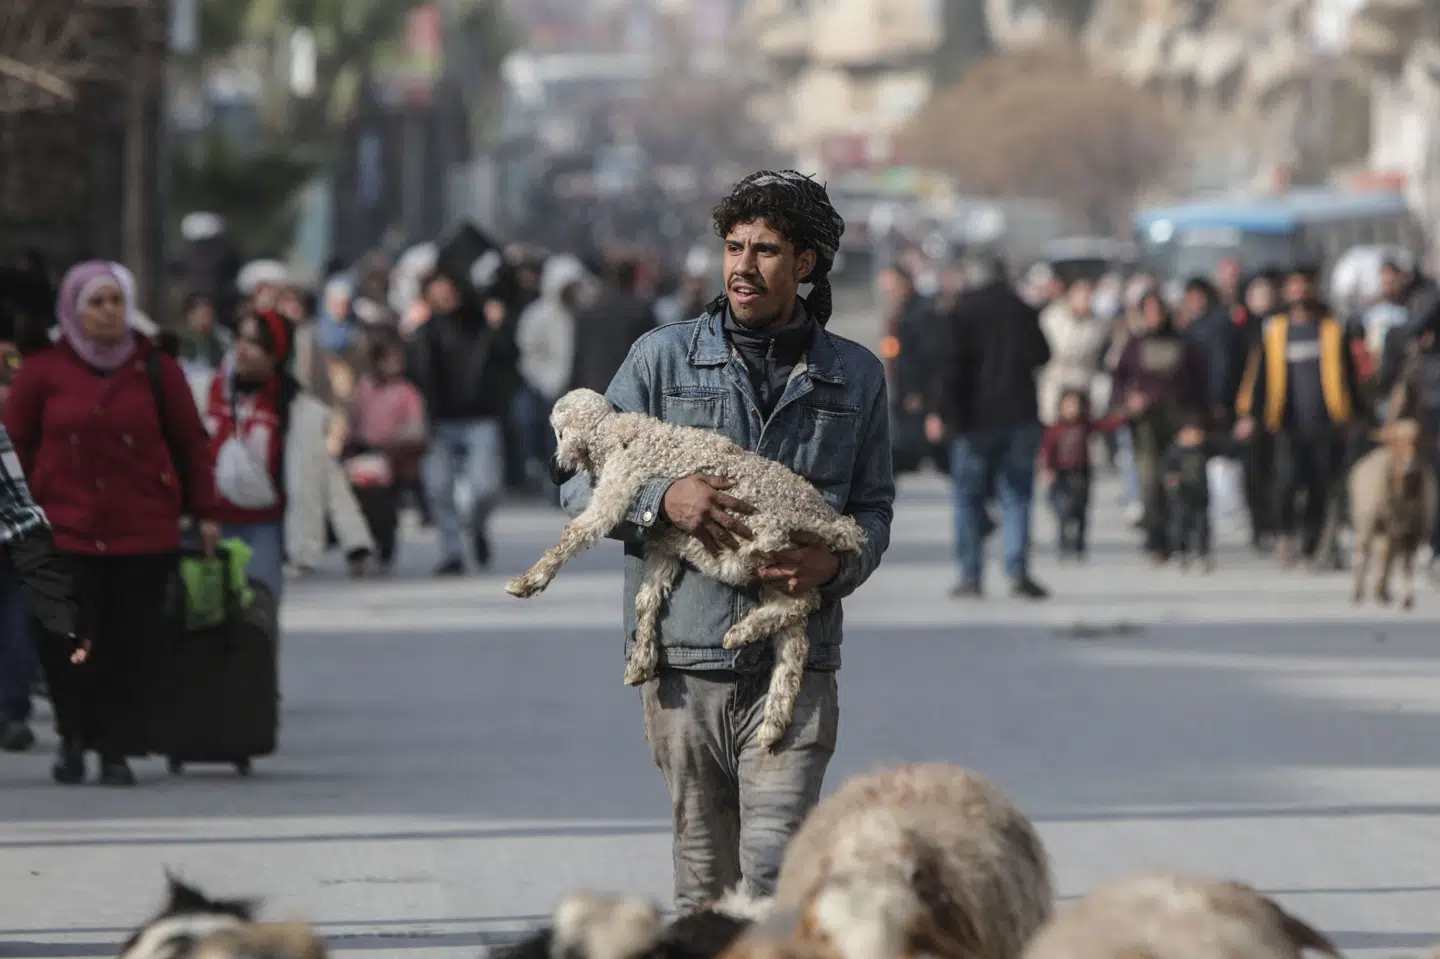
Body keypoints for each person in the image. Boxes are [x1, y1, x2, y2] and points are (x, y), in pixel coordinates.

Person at [559, 170, 893, 912]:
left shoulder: (854, 376)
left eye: (766, 249)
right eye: (733, 247)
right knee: (705, 889)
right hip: (686, 666)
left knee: (773, 881)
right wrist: (660, 500)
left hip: (793, 669)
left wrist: (835, 562)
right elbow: (575, 486)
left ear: (805, 263)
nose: (743, 265)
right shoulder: (661, 361)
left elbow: (874, 509)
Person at [6, 262, 220, 786]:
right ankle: (74, 737)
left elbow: (191, 443)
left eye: (116, 302)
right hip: (63, 531)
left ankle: (115, 748)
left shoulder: (155, 368)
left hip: (141, 531)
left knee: (130, 645)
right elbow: (14, 450)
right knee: (67, 643)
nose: (108, 312)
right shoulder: (44, 371)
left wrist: (207, 511)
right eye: (96, 303)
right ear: (74, 310)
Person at [189, 312, 375, 597]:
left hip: (265, 528)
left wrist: (355, 541)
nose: (242, 349)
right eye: (239, 338)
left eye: (255, 342)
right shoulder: (201, 395)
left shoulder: (298, 412)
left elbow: (326, 478)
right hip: (208, 526)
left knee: (258, 619)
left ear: (276, 353)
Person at [926, 254, 1052, 600]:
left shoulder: (960, 311)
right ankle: (1017, 570)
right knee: (1017, 495)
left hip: (973, 419)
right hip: (1020, 415)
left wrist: (940, 413)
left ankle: (970, 575)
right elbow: (1043, 354)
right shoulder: (1023, 310)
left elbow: (948, 367)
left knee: (968, 497)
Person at [1236, 264, 1362, 567]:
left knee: (1321, 485)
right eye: (1294, 285)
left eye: (1305, 285)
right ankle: (1285, 535)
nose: (1300, 291)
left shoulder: (1332, 329)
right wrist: (1250, 414)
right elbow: (1260, 377)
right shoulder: (1275, 331)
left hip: (1325, 422)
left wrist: (1356, 415)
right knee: (1286, 483)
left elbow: (1349, 376)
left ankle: (1313, 544)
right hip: (1286, 424)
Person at [407, 270, 518, 574]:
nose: (445, 297)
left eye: (449, 290)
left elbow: (510, 359)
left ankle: (477, 527)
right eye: (437, 291)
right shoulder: (424, 332)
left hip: (480, 418)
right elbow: (414, 374)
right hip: (439, 421)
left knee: (484, 489)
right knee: (439, 489)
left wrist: (499, 327)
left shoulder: (482, 325)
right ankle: (452, 553)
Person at [1110, 290, 1207, 562]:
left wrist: (1199, 419)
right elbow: (1118, 380)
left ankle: (1182, 536)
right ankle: (1156, 538)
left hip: (1179, 421)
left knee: (1181, 482)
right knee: (1150, 482)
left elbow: (1199, 383)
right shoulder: (1134, 345)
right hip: (1146, 425)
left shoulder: (1184, 344)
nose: (1154, 317)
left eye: (1158, 311)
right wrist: (1128, 401)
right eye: (1149, 312)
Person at [346, 330, 427, 573]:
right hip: (365, 453)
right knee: (359, 507)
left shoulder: (406, 391)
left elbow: (416, 426)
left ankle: (384, 546)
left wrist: (398, 440)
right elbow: (354, 417)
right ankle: (359, 550)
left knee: (384, 508)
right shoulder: (365, 387)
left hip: (393, 457)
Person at [1038, 389, 1122, 560]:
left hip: (1081, 473)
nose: (1072, 410)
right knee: (1062, 509)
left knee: (1081, 509)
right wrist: (1047, 469)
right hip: (1061, 473)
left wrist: (1122, 417)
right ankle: (1063, 542)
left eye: (1075, 405)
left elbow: (1106, 425)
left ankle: (1079, 545)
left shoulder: (1085, 426)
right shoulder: (1055, 429)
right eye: (1068, 406)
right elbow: (1047, 450)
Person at [1037, 277, 1108, 426]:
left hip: (1085, 387)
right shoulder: (1051, 318)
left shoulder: (1098, 324)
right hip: (1055, 386)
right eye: (1081, 294)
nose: (1085, 299)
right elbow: (1059, 349)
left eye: (1088, 295)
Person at [1161, 414, 1215, 571]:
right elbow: (1165, 468)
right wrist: (1170, 477)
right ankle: (1180, 552)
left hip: (1200, 495)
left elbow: (1226, 448)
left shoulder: (1204, 449)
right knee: (1179, 524)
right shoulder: (1174, 451)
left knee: (1202, 525)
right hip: (1181, 496)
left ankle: (1202, 553)